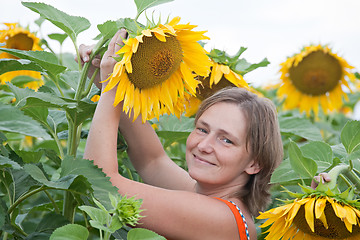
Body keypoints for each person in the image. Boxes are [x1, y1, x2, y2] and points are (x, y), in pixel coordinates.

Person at [81, 29, 284, 240]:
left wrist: (111, 88)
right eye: (202, 129)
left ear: (255, 163)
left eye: (226, 140)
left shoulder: (219, 218)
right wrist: (105, 79)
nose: (204, 145)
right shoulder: (213, 200)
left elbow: (100, 184)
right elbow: (153, 161)